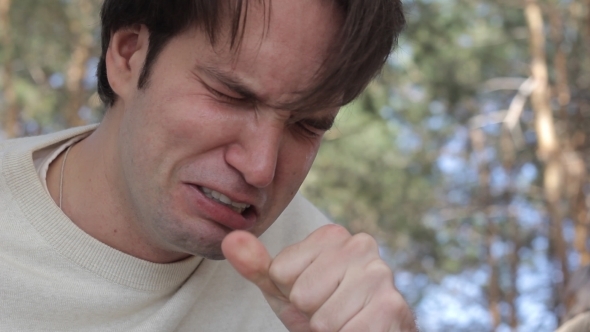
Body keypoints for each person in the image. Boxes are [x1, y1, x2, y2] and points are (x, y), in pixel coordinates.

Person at [0, 0, 415, 331]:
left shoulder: (326, 296)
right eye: (230, 95)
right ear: (128, 56)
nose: (259, 168)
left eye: (307, 125)